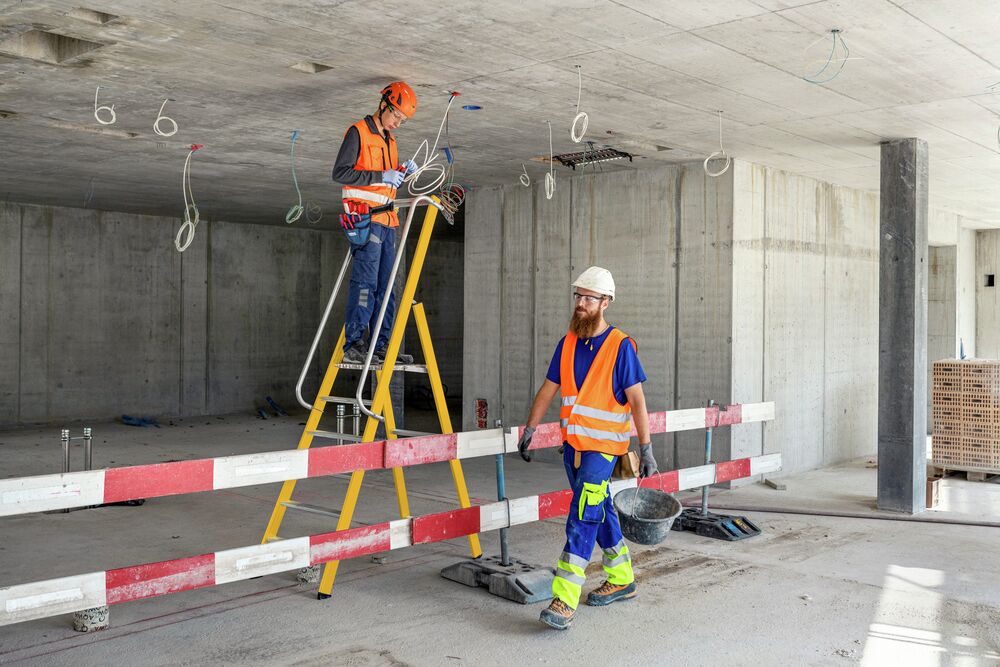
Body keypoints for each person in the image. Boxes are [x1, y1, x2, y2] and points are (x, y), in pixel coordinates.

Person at [517, 266, 658, 631]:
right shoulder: (567, 343)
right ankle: (622, 577)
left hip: (602, 452)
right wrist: (531, 426)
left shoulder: (621, 347)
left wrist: (647, 448)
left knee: (581, 518)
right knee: (600, 511)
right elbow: (548, 388)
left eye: (588, 298)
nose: (580, 303)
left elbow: (638, 402)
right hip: (573, 450)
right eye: (578, 296)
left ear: (605, 302)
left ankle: (564, 599)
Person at [332, 81, 419, 365]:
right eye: (396, 116)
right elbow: (341, 173)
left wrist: (400, 173)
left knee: (387, 287)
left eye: (402, 121)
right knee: (366, 284)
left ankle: (382, 347)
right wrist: (383, 176)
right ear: (384, 105)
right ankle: (355, 343)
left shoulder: (389, 141)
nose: (397, 123)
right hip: (366, 221)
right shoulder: (358, 132)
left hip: (387, 220)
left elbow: (386, 182)